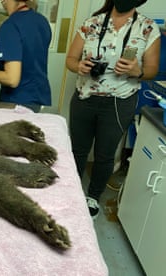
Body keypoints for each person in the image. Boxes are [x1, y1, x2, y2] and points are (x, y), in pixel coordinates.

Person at [65, 0, 160, 219]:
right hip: (84, 97)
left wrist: (137, 71)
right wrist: (78, 66)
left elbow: (152, 70)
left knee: (104, 154)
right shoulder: (92, 23)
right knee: (77, 150)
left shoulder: (147, 28)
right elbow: (71, 59)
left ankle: (93, 197)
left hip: (119, 102)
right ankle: (71, 192)